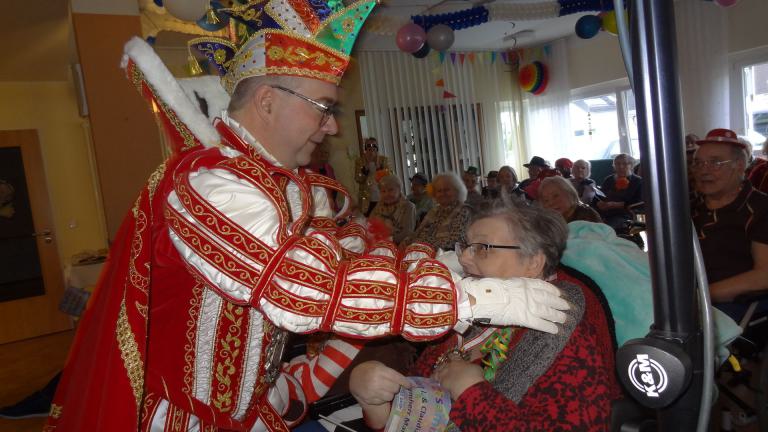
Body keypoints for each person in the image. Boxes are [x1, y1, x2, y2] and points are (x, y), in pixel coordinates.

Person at [45, 5, 570, 431]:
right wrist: (471, 299)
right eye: (324, 106)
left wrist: (448, 262)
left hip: (252, 407)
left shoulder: (287, 187)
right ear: (267, 101)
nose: (333, 127)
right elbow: (304, 290)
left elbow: (358, 257)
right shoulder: (211, 186)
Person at [350, 202, 620, 431]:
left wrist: (472, 394)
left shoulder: (564, 336)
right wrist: (375, 402)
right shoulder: (465, 318)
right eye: (465, 246)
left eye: (483, 248)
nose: (465, 259)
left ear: (533, 263)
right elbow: (414, 416)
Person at [690, 128, 768, 322]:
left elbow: (764, 275)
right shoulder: (689, 206)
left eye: (715, 162)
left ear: (739, 166)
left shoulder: (760, 208)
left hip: (734, 304)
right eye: (698, 163)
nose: (703, 170)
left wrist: (699, 297)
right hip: (686, 296)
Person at [402, 172, 472, 251]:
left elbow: (454, 241)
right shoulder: (434, 211)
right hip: (422, 252)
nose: (442, 194)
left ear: (457, 191)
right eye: (439, 191)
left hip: (447, 255)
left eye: (447, 190)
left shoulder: (463, 211)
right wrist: (406, 242)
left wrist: (421, 244)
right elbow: (417, 232)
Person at [597, 153, 643, 232]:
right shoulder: (609, 179)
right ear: (614, 166)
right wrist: (599, 203)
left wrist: (615, 204)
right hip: (604, 213)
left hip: (624, 215)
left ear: (631, 166)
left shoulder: (638, 181)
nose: (621, 166)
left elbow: (638, 203)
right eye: (617, 164)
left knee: (604, 230)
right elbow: (601, 196)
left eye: (624, 164)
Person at [369, 175, 417, 244]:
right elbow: (369, 226)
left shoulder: (409, 206)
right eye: (383, 191)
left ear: (399, 189)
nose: (387, 194)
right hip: (379, 244)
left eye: (390, 190)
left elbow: (407, 234)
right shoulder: (378, 206)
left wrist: (386, 240)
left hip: (400, 245)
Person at [355, 137, 391, 216]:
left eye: (374, 146)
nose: (371, 148)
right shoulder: (360, 161)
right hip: (367, 200)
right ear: (365, 148)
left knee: (383, 220)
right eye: (368, 146)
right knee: (368, 221)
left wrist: (378, 167)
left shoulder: (383, 160)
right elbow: (358, 178)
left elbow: (388, 178)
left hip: (381, 197)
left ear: (377, 148)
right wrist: (366, 168)